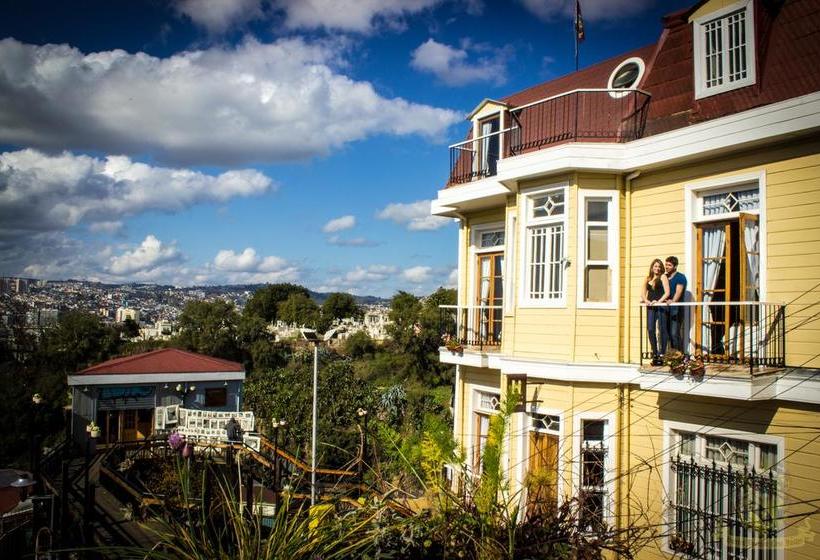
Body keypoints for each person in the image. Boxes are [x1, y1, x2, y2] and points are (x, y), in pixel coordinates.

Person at [642, 259, 670, 366]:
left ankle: (662, 353)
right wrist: (646, 301)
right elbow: (643, 293)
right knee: (650, 329)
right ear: (652, 267)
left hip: (660, 306)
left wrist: (658, 302)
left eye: (659, 266)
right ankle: (655, 352)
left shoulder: (663, 277)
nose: (657, 268)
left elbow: (667, 293)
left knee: (662, 329)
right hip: (651, 307)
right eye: (655, 266)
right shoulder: (648, 278)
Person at [665, 256, 688, 352]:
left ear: (675, 266)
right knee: (667, 334)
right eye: (666, 264)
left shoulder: (680, 277)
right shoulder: (665, 277)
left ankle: (680, 356)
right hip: (665, 309)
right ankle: (672, 356)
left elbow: (678, 292)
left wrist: (673, 301)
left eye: (669, 265)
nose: (666, 267)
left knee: (675, 333)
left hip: (676, 309)